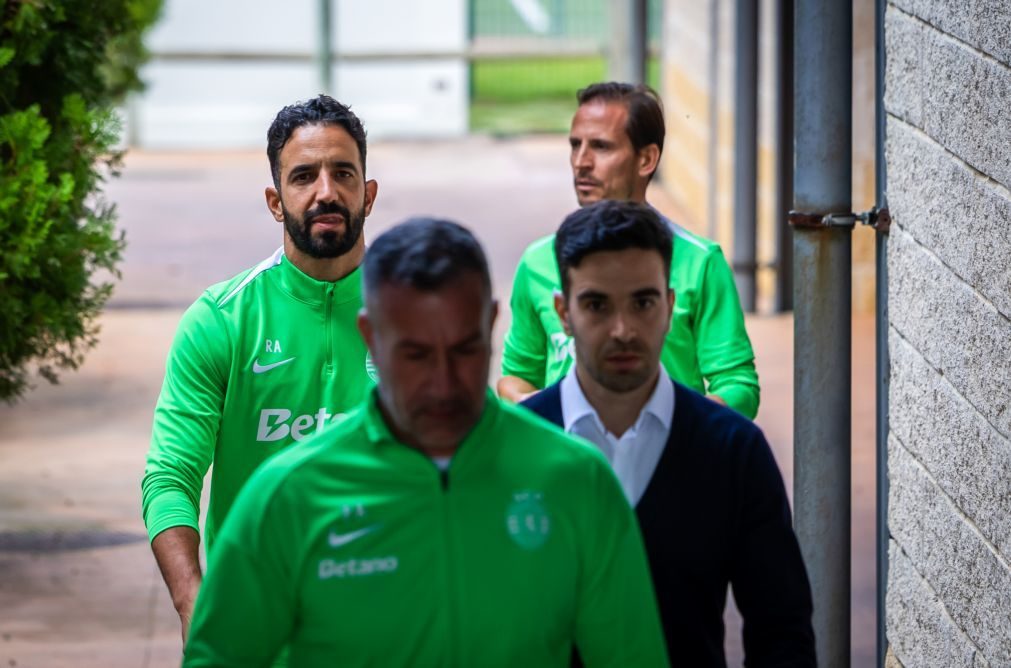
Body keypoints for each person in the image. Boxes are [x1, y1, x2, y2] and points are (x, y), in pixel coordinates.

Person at [182, 218, 670, 667]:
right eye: (415, 355)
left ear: (492, 323)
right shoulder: (287, 499)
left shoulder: (576, 482)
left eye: (464, 350)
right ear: (369, 337)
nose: (443, 383)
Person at [521, 201, 816, 666]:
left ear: (670, 305)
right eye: (597, 304)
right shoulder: (515, 446)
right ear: (563, 312)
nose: (623, 330)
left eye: (643, 302)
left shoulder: (733, 451)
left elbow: (781, 630)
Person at [141, 94, 379, 642]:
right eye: (304, 176)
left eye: (343, 173)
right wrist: (192, 602)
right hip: (253, 618)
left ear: (367, 193)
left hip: (385, 619)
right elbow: (169, 477)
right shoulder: (221, 320)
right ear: (276, 201)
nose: (326, 192)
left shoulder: (412, 315)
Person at [499, 82, 760, 419]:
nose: (581, 162)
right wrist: (553, 422)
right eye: (575, 145)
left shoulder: (700, 262)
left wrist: (678, 431)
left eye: (601, 147)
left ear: (646, 158)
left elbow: (737, 385)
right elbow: (515, 377)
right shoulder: (538, 261)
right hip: (571, 468)